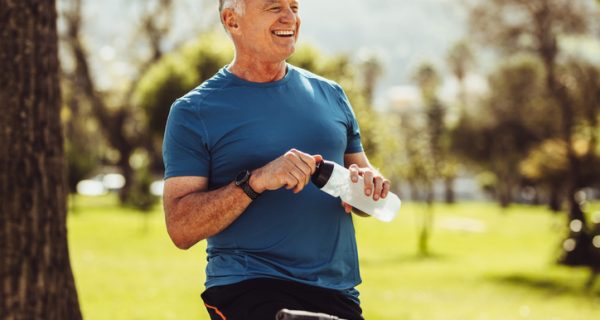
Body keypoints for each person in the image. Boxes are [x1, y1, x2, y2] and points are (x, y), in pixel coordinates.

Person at [162, 0, 392, 319]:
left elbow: (369, 201)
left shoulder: (332, 96)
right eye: (273, 7)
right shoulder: (193, 111)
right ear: (232, 21)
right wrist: (255, 182)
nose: (290, 17)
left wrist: (371, 187)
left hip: (336, 292)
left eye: (294, 6)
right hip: (249, 288)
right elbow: (180, 229)